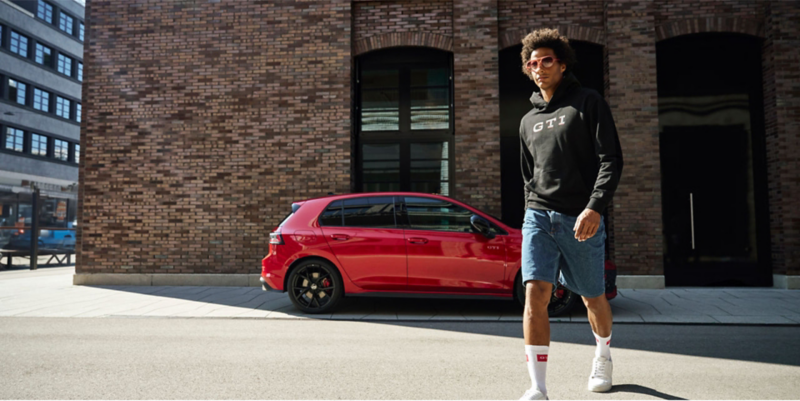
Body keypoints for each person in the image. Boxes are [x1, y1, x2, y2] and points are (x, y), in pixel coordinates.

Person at [517, 28, 623, 400]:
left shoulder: (587, 102)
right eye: (533, 63)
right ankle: (538, 387)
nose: (539, 67)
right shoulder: (528, 121)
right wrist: (533, 209)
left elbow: (610, 160)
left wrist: (594, 207)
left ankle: (603, 356)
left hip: (581, 217)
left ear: (562, 64)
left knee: (593, 297)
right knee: (535, 293)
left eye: (546, 60)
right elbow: (528, 175)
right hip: (539, 216)